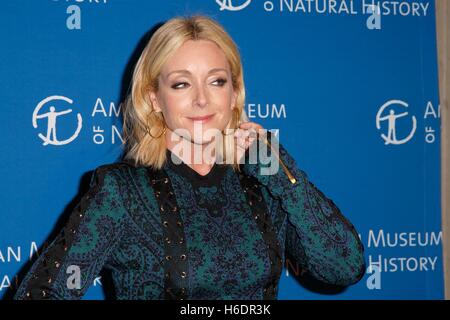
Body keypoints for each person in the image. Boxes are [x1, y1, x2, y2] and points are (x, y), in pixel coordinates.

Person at [14, 15, 365, 300]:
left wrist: (279, 171)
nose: (201, 100)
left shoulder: (262, 185)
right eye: (181, 84)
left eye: (216, 81)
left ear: (234, 93)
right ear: (153, 98)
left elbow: (344, 267)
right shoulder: (121, 191)